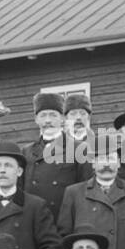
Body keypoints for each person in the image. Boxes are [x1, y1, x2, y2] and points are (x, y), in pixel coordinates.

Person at [23, 90, 84, 220]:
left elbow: (85, 190)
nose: (48, 120)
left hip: (64, 220)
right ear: (36, 119)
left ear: (62, 118)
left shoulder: (78, 148)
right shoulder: (26, 151)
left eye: (53, 115)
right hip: (34, 219)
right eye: (43, 115)